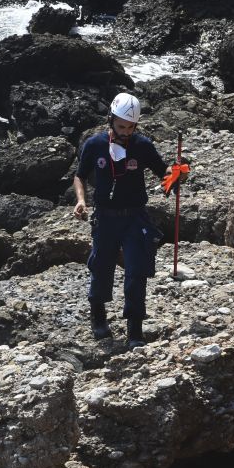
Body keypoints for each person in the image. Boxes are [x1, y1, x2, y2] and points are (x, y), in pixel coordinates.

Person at [73, 93, 187, 349]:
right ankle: (98, 316)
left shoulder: (143, 145)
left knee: (137, 271)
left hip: (135, 216)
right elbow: (79, 175)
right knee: (101, 267)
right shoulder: (94, 144)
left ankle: (135, 329)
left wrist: (176, 172)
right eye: (121, 126)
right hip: (105, 217)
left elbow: (163, 173)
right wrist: (81, 200)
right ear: (111, 120)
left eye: (130, 127)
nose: (125, 132)